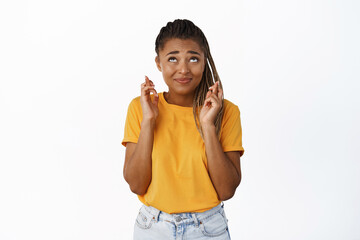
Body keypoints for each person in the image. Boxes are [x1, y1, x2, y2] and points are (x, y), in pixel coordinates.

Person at [122, 19, 244, 240]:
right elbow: (136, 184)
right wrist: (149, 121)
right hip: (153, 228)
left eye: (193, 59)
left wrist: (207, 125)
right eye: (173, 59)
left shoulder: (227, 112)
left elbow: (227, 191)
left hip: (208, 229)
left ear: (204, 60)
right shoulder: (141, 108)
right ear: (159, 63)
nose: (183, 69)